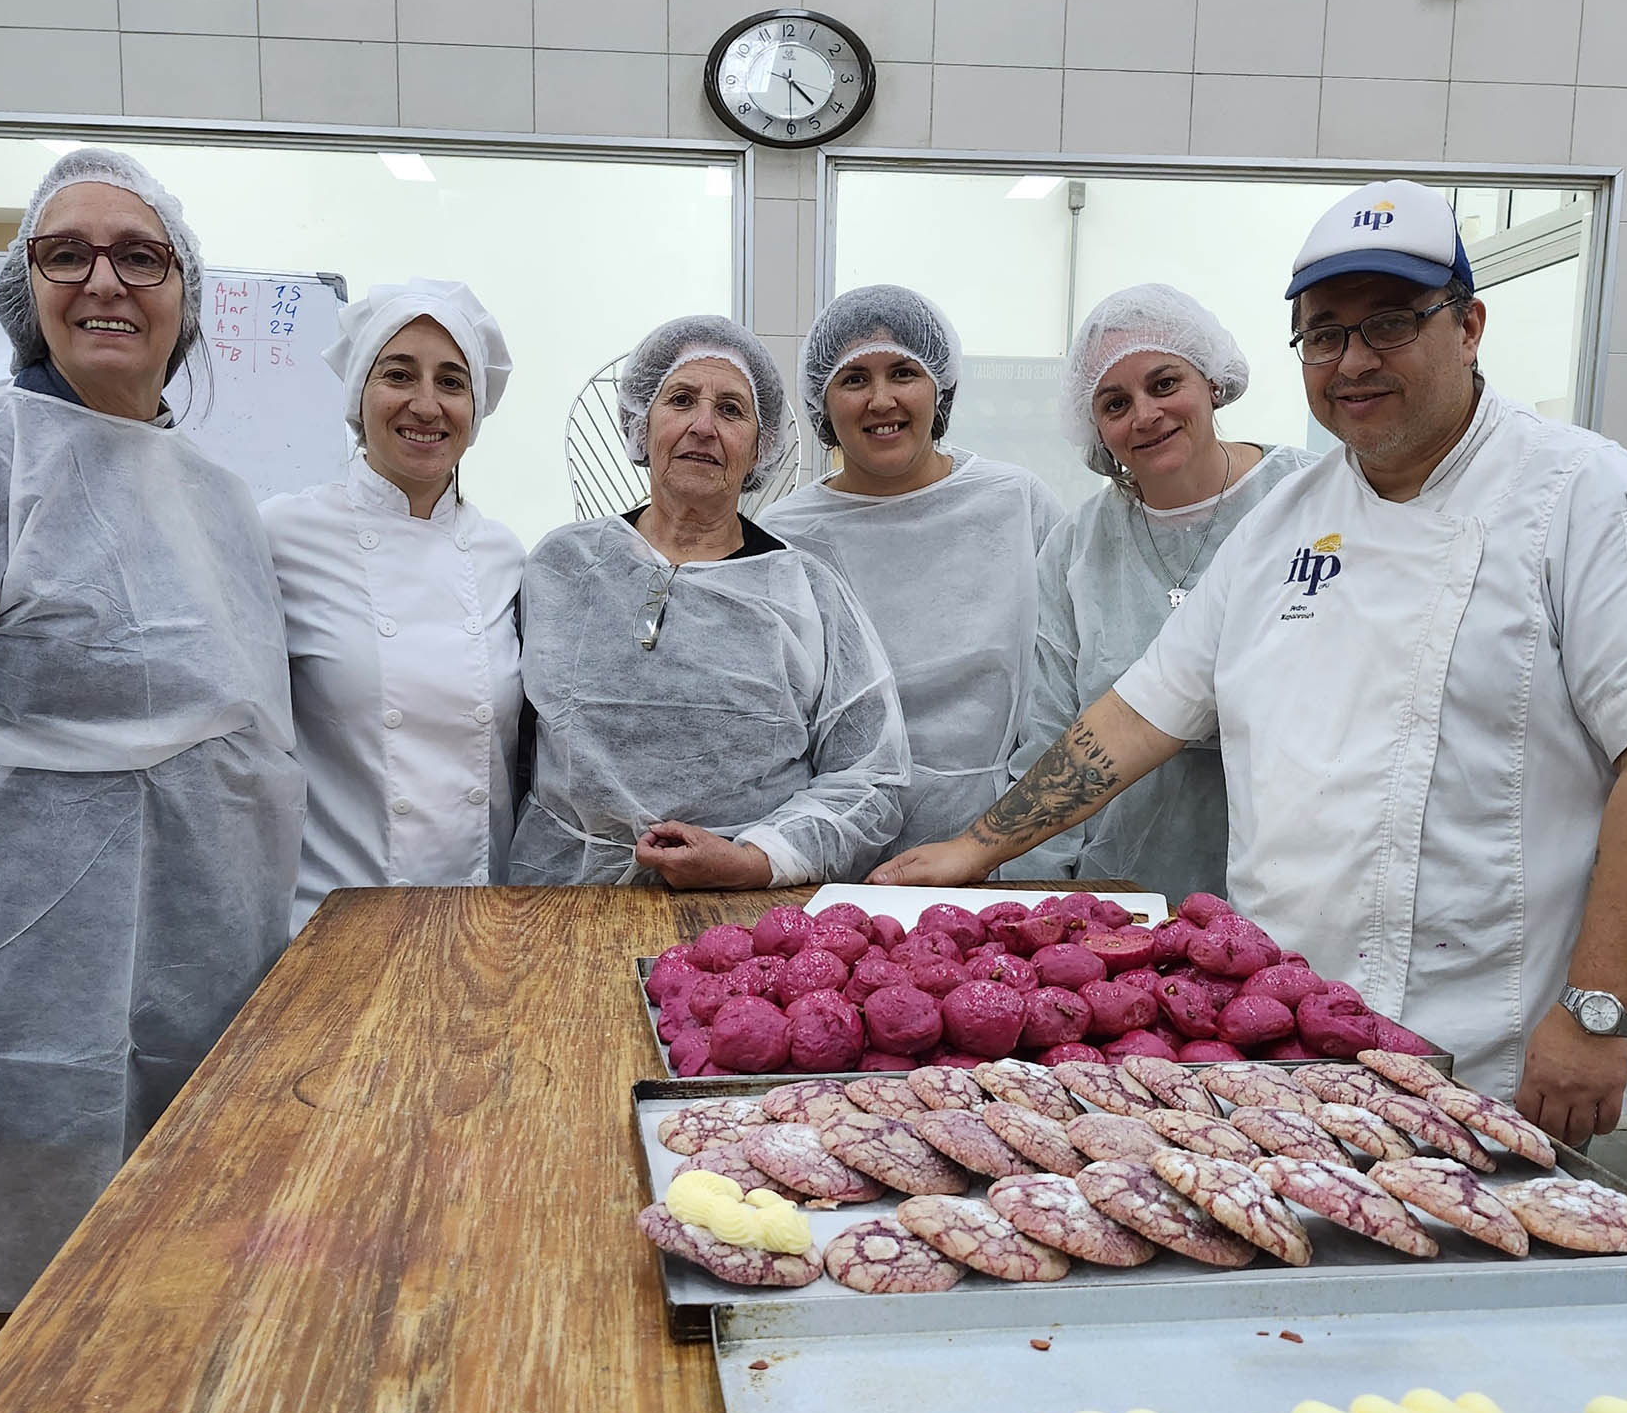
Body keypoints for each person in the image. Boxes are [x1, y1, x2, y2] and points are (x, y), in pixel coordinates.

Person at [874, 180, 1627, 1141]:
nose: (1353, 360)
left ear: (1470, 324)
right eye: (1325, 334)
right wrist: (975, 847)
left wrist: (1597, 1008)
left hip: (1510, 1041)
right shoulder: (1284, 521)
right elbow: (1141, 712)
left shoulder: (1589, 493)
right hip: (1296, 1034)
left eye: (1390, 324)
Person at [0, 147, 304, 1359]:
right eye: (67, 254)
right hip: (13, 1007)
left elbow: (249, 756)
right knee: (36, 1363)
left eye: (139, 255)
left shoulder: (213, 494)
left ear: (184, 295)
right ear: (27, 289)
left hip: (201, 989)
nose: (105, 280)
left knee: (171, 1330)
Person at [505, 315, 906, 888]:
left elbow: (871, 778)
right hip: (559, 902)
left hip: (744, 916)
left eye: (731, 410)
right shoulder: (563, 567)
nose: (702, 426)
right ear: (642, 425)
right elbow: (507, 751)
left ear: (759, 448)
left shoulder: (804, 591)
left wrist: (752, 859)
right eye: (681, 400)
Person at [1009, 284, 1315, 900]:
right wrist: (1034, 897)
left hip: (1300, 884)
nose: (1145, 415)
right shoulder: (1078, 548)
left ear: (1212, 382)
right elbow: (1048, 732)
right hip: (1125, 888)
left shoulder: (1311, 502)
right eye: (1115, 403)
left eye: (1165, 383)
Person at [761, 285, 1063, 860]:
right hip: (834, 848)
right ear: (821, 402)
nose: (880, 400)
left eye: (903, 372)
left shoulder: (1014, 502)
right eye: (853, 379)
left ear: (940, 387)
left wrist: (1032, 845)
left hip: (1001, 840)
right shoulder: (784, 535)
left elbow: (1062, 690)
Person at [263, 279, 524, 932]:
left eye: (452, 381)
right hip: (328, 929)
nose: (427, 405)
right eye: (399, 375)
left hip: (481, 924)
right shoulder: (278, 535)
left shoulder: (506, 557)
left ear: (477, 406)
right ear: (359, 394)